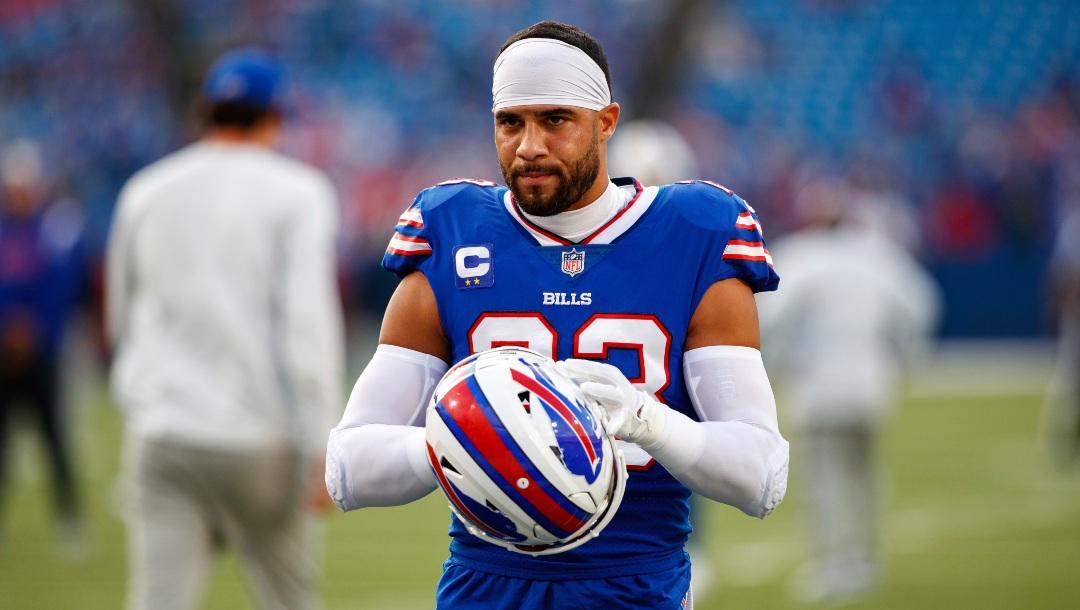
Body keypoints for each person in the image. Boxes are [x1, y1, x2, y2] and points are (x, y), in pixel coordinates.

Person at [325, 21, 789, 609]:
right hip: (483, 587)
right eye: (510, 122)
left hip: (637, 587)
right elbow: (348, 467)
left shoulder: (694, 231)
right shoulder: (452, 229)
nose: (529, 146)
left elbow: (761, 476)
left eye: (555, 119)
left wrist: (647, 421)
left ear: (607, 121)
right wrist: (473, 441)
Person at [105, 47, 344, 610]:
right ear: (275, 117)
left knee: (158, 600)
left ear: (205, 113)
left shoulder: (146, 189)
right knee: (288, 598)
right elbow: (305, 329)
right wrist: (323, 442)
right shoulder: (299, 192)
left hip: (164, 431)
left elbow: (120, 316)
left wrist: (141, 400)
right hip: (261, 436)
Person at [756, 178, 941, 604]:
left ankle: (834, 565)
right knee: (864, 476)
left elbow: (770, 317)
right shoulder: (875, 253)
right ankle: (865, 560)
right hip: (871, 387)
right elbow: (921, 303)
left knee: (825, 481)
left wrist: (781, 364)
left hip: (819, 388)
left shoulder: (800, 257)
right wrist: (903, 355)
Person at [0, 138, 88, 556]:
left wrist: (31, 329)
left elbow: (61, 286)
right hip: (4, 354)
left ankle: (69, 520)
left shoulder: (53, 228)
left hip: (42, 351)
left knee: (54, 438)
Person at [1042, 202, 1080, 470]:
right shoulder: (1073, 227)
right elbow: (1062, 275)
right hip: (1077, 316)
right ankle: (1066, 443)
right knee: (1072, 384)